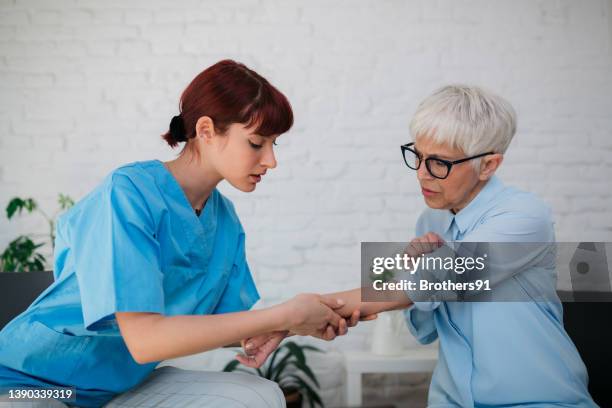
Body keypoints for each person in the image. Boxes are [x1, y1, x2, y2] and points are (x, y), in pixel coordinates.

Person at [0, 60, 368, 408]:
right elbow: (145, 341)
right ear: (206, 131)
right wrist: (284, 316)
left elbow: (222, 328)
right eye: (257, 143)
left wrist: (293, 322)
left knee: (258, 395)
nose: (272, 161)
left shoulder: (224, 220)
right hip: (29, 384)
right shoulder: (128, 192)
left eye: (275, 144)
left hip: (116, 388)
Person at [244, 85, 598, 407]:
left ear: (488, 165)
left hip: (538, 400)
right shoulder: (432, 222)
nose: (422, 173)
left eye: (439, 162)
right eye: (418, 155)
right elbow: (424, 328)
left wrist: (290, 321)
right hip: (452, 400)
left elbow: (434, 281)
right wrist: (407, 270)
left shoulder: (525, 216)